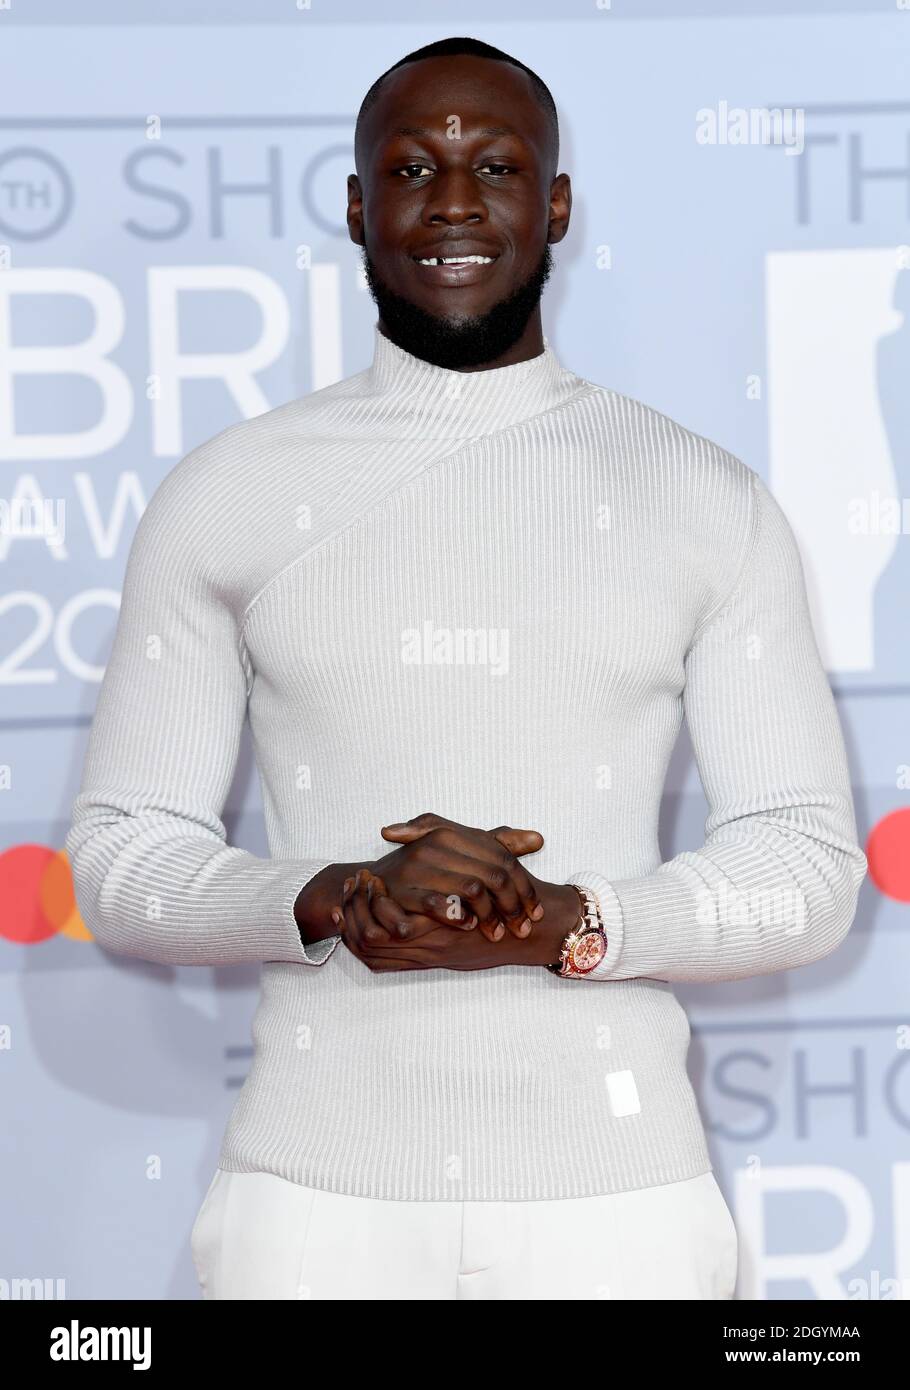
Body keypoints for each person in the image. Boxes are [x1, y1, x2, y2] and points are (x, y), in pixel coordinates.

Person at [65, 36, 866, 1301]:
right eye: (409, 166)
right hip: (307, 1209)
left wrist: (566, 924)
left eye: (493, 166)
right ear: (354, 205)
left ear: (553, 206)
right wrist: (331, 896)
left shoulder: (704, 499)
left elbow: (809, 867)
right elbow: (119, 856)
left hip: (622, 1210)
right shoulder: (228, 493)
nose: (451, 204)